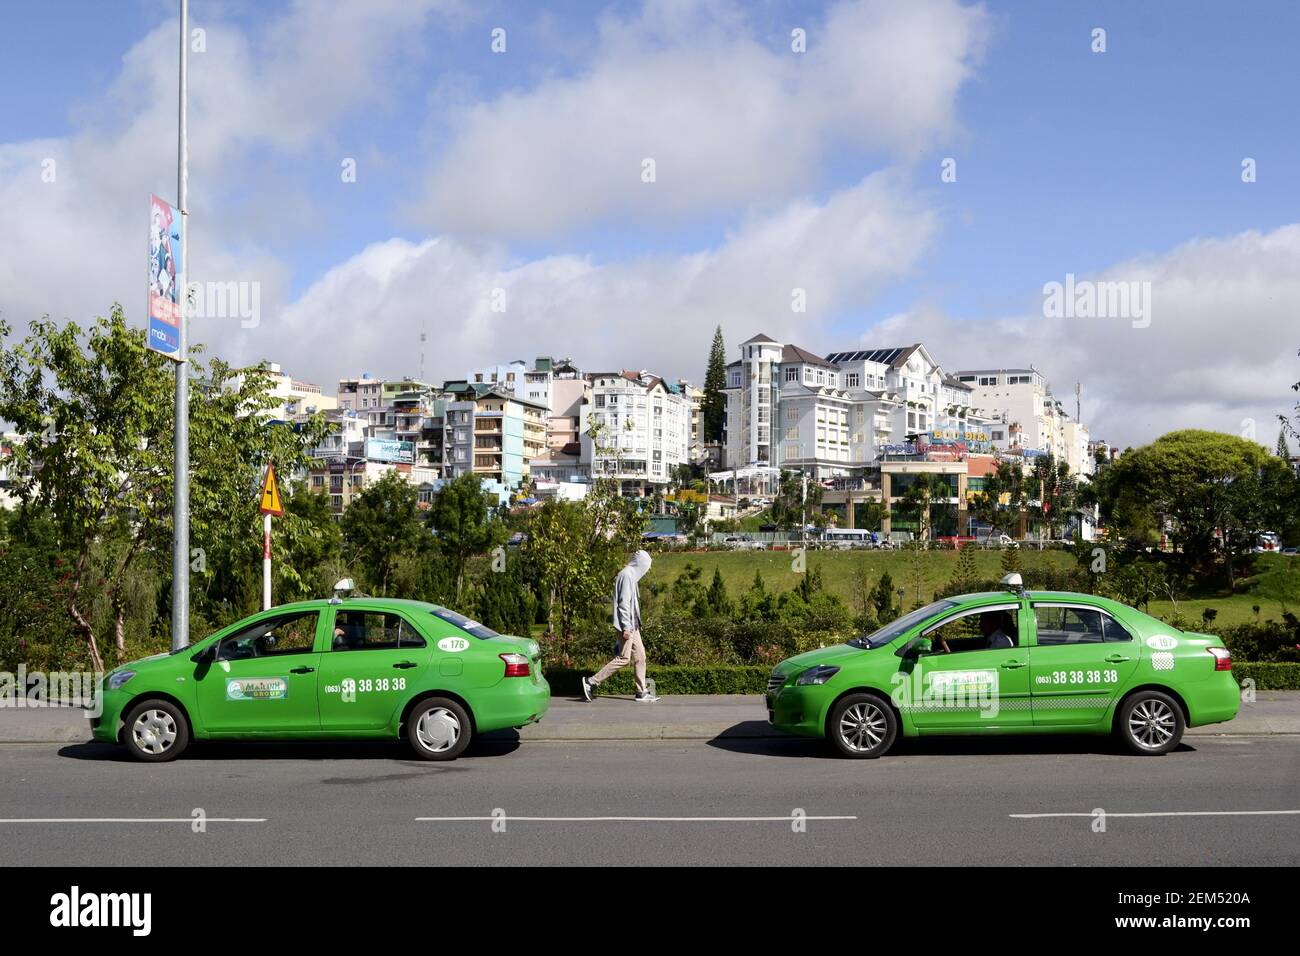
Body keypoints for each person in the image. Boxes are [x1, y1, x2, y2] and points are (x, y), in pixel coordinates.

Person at [582, 550, 657, 702]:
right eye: (646, 566)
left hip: (633, 625)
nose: (646, 570)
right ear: (640, 563)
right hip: (627, 625)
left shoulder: (631, 576)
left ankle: (641, 691)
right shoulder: (626, 575)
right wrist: (626, 627)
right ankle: (591, 682)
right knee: (624, 658)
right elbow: (623, 604)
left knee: (640, 656)